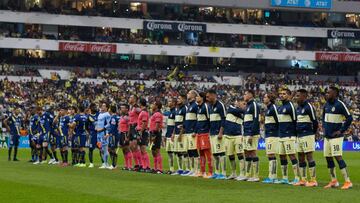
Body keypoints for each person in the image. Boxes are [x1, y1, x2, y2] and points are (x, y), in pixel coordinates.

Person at [322, 86, 353, 190]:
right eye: (326, 93)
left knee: (337, 156)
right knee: (328, 158)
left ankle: (348, 181)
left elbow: (349, 118)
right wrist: (324, 128)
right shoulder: (326, 105)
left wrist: (341, 130)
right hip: (327, 137)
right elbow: (323, 118)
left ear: (335, 94)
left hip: (336, 137)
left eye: (329, 93)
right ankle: (333, 181)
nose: (327, 94)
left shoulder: (340, 104)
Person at [294, 89, 318, 187]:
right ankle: (303, 180)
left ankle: (313, 180)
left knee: (309, 157)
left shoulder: (309, 107)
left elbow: (315, 121)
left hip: (307, 135)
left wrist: (312, 133)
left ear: (304, 96)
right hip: (299, 136)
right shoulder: (298, 108)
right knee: (300, 157)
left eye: (298, 95)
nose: (296, 97)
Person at [275, 88, 300, 185]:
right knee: (282, 156)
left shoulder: (290, 107)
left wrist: (294, 135)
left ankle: (297, 178)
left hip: (289, 136)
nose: (281, 95)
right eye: (280, 94)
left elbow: (295, 121)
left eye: (284, 94)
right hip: (281, 136)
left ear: (289, 96)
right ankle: (285, 178)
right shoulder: (280, 107)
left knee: (292, 156)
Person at [224, 99, 246, 180]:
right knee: (230, 155)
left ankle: (242, 174)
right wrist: (242, 110)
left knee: (240, 154)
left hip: (237, 136)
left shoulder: (242, 112)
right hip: (228, 136)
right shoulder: (231, 108)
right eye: (237, 102)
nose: (238, 103)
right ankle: (233, 173)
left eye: (240, 102)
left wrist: (242, 110)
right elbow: (235, 111)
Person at [207, 89, 227, 180]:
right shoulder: (210, 106)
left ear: (213, 95)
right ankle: (217, 172)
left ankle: (223, 173)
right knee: (215, 153)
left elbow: (224, 119)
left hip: (218, 134)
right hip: (212, 133)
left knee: (221, 153)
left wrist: (221, 132)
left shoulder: (220, 105)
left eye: (208, 96)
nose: (207, 98)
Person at [243, 90, 261, 182]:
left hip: (251, 133)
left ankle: (256, 175)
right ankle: (248, 174)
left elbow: (256, 120)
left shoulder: (254, 105)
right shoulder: (247, 106)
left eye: (245, 94)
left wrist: (251, 134)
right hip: (246, 133)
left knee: (253, 152)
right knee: (246, 152)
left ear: (250, 95)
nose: (244, 95)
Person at [262, 93, 280, 184]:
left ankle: (273, 177)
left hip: (273, 135)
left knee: (271, 155)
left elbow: (278, 121)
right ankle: (271, 176)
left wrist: (277, 132)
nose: (263, 98)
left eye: (265, 97)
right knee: (270, 155)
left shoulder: (273, 108)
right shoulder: (268, 109)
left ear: (270, 98)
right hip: (268, 134)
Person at [195, 92, 212, 178]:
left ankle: (210, 172)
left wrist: (209, 132)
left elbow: (210, 119)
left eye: (197, 96)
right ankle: (202, 171)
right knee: (201, 153)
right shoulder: (199, 108)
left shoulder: (206, 106)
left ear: (202, 98)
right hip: (199, 133)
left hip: (205, 133)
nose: (196, 98)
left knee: (207, 153)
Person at [182, 90, 199, 176]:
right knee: (189, 151)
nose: (187, 94)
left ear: (193, 95)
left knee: (194, 150)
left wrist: (195, 131)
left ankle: (197, 170)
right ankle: (192, 170)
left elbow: (198, 119)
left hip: (192, 132)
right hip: (187, 132)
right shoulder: (189, 106)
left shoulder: (196, 106)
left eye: (189, 93)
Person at [172, 94, 188, 175]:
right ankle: (180, 169)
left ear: (184, 100)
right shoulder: (177, 109)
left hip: (183, 134)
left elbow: (185, 123)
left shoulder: (185, 108)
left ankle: (187, 169)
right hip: (176, 134)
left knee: (184, 152)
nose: (177, 99)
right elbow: (176, 123)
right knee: (177, 152)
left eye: (179, 98)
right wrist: (173, 133)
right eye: (177, 98)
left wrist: (181, 134)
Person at [149, 101, 164, 174]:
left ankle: (160, 169)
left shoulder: (157, 114)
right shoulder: (154, 113)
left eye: (154, 104)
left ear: (157, 106)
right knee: (153, 151)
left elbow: (157, 124)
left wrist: (154, 134)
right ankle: (155, 168)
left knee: (157, 151)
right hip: (152, 133)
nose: (152, 105)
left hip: (156, 133)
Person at [136, 98, 151, 172]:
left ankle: (147, 166)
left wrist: (140, 132)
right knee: (141, 150)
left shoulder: (144, 112)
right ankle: (144, 166)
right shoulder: (143, 112)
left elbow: (144, 123)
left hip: (143, 132)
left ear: (140, 103)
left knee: (143, 149)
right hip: (141, 131)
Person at [128, 95, 142, 170]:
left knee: (135, 146)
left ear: (134, 99)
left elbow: (143, 114)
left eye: (130, 98)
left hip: (135, 127)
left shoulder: (136, 108)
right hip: (131, 127)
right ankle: (136, 164)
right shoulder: (131, 107)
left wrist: (139, 125)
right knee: (131, 146)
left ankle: (140, 164)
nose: (129, 99)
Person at [96, 103, 111, 169]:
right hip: (98, 133)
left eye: (104, 106)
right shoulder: (99, 114)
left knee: (105, 148)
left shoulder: (107, 115)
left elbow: (108, 124)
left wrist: (101, 129)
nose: (102, 107)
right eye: (102, 105)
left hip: (103, 133)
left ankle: (106, 163)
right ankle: (104, 163)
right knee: (101, 148)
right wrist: (96, 128)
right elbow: (97, 123)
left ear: (107, 108)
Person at [87, 103, 102, 168]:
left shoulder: (99, 114)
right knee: (90, 149)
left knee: (101, 148)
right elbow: (86, 127)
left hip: (99, 134)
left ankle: (104, 163)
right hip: (92, 134)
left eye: (95, 106)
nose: (95, 108)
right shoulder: (88, 117)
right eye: (93, 107)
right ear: (91, 108)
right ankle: (91, 163)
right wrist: (90, 132)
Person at [165, 97, 177, 174]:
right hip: (168, 135)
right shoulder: (170, 112)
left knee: (177, 153)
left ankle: (180, 169)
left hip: (173, 136)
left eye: (170, 101)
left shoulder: (175, 111)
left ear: (173, 103)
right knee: (169, 152)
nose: (168, 102)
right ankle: (171, 169)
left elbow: (176, 124)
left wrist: (173, 133)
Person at [118, 103, 132, 170]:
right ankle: (126, 165)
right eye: (121, 108)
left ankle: (130, 165)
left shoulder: (127, 117)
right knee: (124, 150)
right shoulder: (122, 116)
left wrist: (128, 136)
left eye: (123, 108)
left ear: (126, 109)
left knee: (127, 149)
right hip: (121, 134)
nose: (121, 109)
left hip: (125, 133)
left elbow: (129, 126)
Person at [107, 105, 120, 169]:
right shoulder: (117, 117)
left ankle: (114, 165)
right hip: (115, 134)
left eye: (109, 108)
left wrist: (108, 134)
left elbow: (112, 127)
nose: (108, 110)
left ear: (111, 110)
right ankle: (113, 164)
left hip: (113, 135)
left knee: (112, 149)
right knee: (110, 149)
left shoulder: (113, 118)